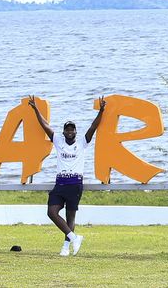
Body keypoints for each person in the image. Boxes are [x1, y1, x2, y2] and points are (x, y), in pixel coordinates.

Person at [28, 95, 104, 257]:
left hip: (75, 183)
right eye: (67, 129)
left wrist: (102, 110)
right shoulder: (58, 141)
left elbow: (93, 126)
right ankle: (75, 238)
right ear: (63, 132)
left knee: (70, 216)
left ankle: (65, 247)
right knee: (52, 212)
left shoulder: (82, 142)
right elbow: (45, 125)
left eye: (72, 129)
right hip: (60, 183)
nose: (70, 131)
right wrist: (35, 109)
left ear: (75, 131)